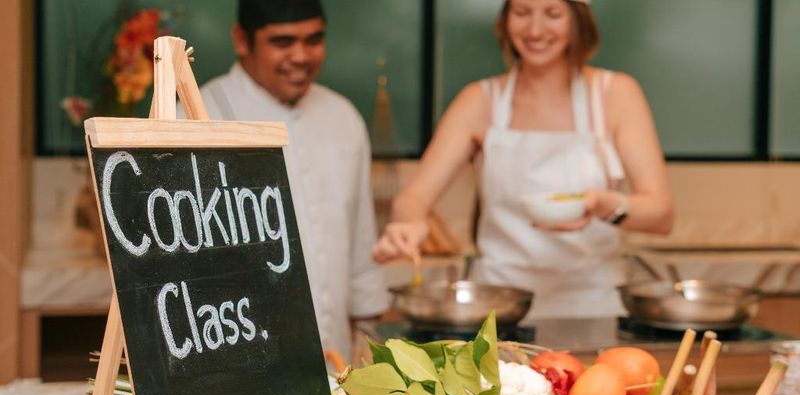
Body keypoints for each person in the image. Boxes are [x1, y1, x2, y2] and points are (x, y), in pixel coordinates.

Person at [372, 0, 673, 319]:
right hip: (500, 306)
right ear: (505, 19)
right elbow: (414, 197)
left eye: (553, 14)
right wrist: (410, 224)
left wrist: (603, 204)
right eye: (522, 12)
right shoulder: (481, 100)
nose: (535, 29)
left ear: (577, 20)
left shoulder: (615, 93)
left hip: (594, 304)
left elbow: (661, 215)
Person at [188, 0, 389, 360]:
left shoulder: (343, 117)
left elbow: (360, 241)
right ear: (241, 40)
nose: (301, 56)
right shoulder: (197, 117)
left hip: (337, 359)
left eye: (314, 40)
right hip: (238, 360)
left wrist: (370, 342)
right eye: (282, 42)